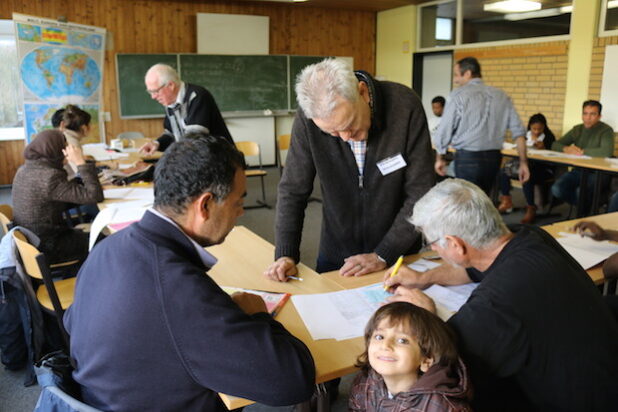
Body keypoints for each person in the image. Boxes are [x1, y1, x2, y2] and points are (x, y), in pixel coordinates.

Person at [64, 134, 316, 411]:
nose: (241, 213)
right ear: (205, 205)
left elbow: (71, 322)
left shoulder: (107, 247)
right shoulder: (181, 291)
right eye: (238, 203)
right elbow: (293, 381)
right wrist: (258, 316)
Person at [384, 179, 618, 411]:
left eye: (431, 242)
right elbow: (472, 268)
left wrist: (427, 316)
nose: (432, 248)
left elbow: (447, 366)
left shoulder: (494, 304)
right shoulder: (532, 237)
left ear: (456, 244)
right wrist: (423, 278)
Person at [264, 58, 435, 281]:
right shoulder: (308, 118)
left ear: (362, 93)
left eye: (349, 125)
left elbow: (420, 192)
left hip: (396, 251)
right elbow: (292, 189)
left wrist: (383, 254)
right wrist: (285, 254)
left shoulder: (405, 105)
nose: (345, 138)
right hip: (338, 252)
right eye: (333, 133)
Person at [349, 302, 472, 412]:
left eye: (402, 340)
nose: (385, 345)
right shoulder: (364, 382)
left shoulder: (443, 407)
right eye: (379, 337)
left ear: (426, 359)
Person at [433, 57, 529, 196]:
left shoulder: (458, 95)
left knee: (468, 203)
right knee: (485, 200)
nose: (455, 80)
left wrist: (439, 158)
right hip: (494, 158)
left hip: (468, 158)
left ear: (468, 73)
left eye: (456, 75)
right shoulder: (501, 95)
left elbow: (445, 129)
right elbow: (519, 132)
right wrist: (523, 162)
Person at [12, 130, 103, 265]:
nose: (67, 149)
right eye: (64, 146)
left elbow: (55, 196)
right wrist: (80, 162)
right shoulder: (50, 176)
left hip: (31, 239)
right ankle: (82, 274)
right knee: (103, 240)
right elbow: (95, 196)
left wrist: (80, 189)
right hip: (47, 246)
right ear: (54, 150)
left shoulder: (25, 169)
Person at [139, 63, 233, 154]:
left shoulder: (197, 96)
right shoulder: (170, 103)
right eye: (150, 92)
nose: (153, 97)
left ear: (171, 85)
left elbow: (195, 138)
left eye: (155, 91)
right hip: (197, 159)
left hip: (220, 158)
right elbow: (171, 134)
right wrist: (157, 144)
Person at [551, 100, 615, 211]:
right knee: (557, 188)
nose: (588, 117)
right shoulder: (577, 129)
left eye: (592, 114)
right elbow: (555, 144)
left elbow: (606, 152)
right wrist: (566, 148)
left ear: (599, 116)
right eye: (585, 113)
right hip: (579, 170)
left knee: (580, 192)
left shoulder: (606, 130)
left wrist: (581, 152)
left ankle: (583, 211)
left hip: (598, 173)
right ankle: (586, 207)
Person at [497, 113, 556, 223]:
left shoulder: (549, 137)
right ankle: (506, 200)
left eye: (540, 129)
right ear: (530, 127)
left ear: (544, 127)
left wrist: (544, 148)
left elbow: (552, 155)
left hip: (543, 169)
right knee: (503, 172)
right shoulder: (525, 135)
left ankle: (531, 207)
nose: (537, 131)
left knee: (526, 174)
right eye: (534, 128)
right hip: (526, 165)